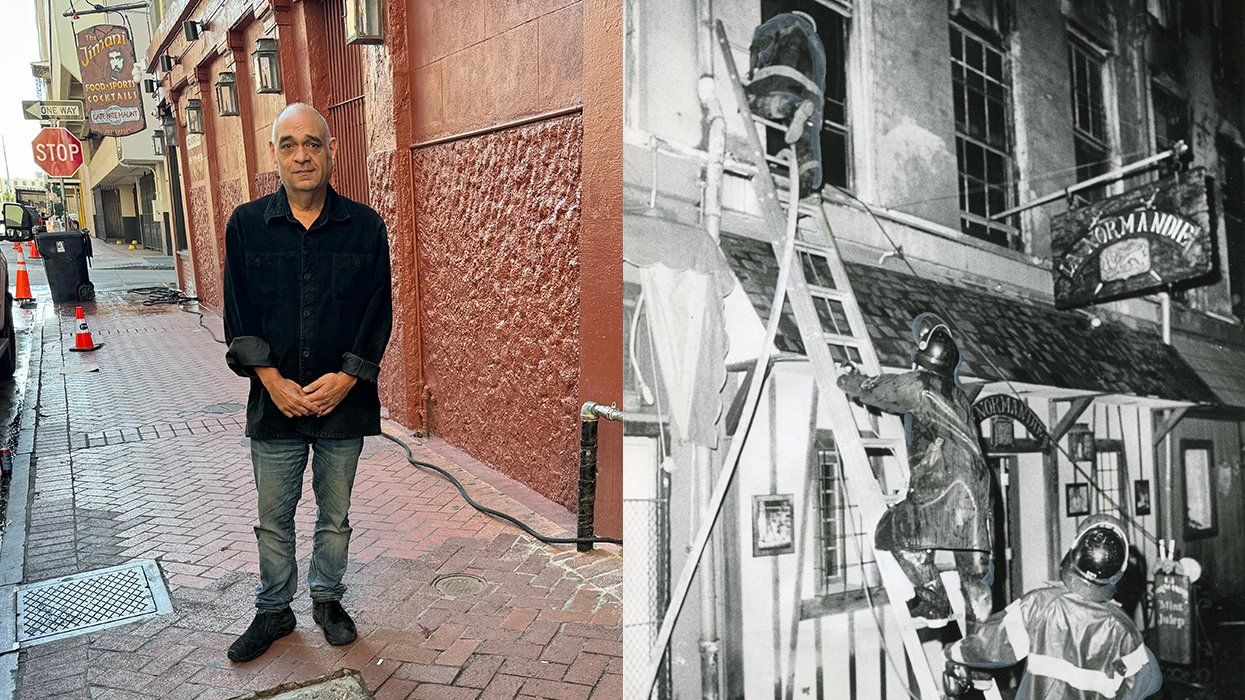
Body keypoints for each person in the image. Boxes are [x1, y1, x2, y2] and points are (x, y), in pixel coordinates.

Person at [222, 102, 393, 662]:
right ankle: (274, 610)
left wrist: (347, 379)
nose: (302, 156)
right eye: (289, 144)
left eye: (312, 144)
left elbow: (377, 313)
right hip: (275, 405)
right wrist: (271, 381)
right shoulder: (247, 226)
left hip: (343, 404)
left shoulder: (365, 226)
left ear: (331, 151)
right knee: (273, 520)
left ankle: (327, 600)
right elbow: (238, 314)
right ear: (274, 154)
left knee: (335, 518)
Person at [836, 318, 994, 630]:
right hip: (978, 486)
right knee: (974, 573)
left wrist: (849, 381)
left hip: (945, 482)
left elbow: (881, 390)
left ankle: (934, 603)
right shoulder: (959, 395)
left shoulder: (922, 384)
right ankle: (982, 640)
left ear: (922, 357)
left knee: (895, 532)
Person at [944, 515, 1163, 699]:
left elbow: (990, 647)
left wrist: (952, 651)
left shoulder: (1039, 604)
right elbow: (1149, 683)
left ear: (1075, 551)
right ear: (1118, 572)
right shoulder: (1125, 630)